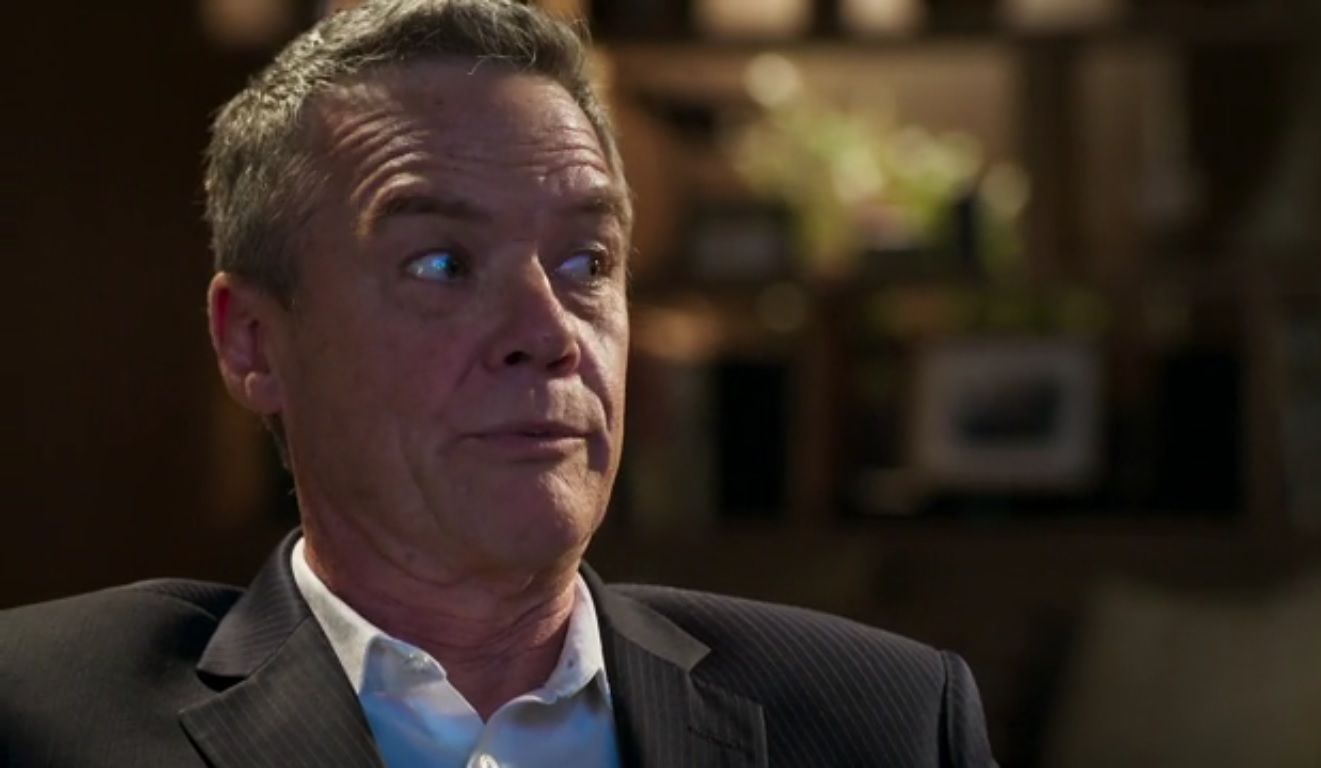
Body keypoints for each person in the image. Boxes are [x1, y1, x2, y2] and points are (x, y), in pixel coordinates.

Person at [0, 1, 996, 765]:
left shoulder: (886, 723)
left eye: (586, 263)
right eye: (442, 264)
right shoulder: (41, 715)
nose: (548, 334)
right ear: (254, 343)